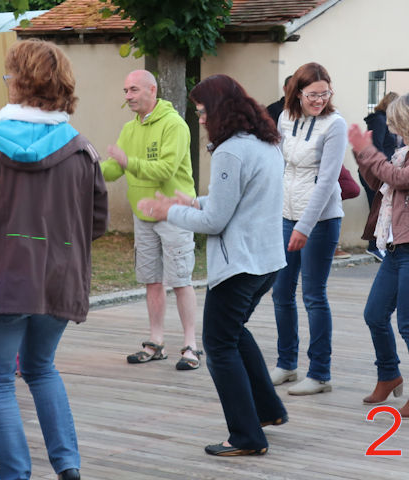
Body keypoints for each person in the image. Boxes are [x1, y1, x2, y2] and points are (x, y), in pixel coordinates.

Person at [0, 39, 109, 480]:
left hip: (2, 283)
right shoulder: (81, 148)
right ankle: (67, 466)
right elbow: (96, 222)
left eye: (8, 76)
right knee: (41, 369)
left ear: (19, 83)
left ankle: (16, 476)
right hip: (58, 280)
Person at [138, 74, 287, 457]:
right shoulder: (264, 144)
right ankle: (267, 411)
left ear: (220, 111)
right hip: (266, 261)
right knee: (233, 333)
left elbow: (215, 222)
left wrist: (168, 211)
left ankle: (246, 436)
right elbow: (236, 200)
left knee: (218, 344)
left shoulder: (230, 151)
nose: (200, 119)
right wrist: (194, 202)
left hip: (240, 265)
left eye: (202, 112)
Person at [348, 91, 409, 417]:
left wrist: (370, 151)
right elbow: (381, 182)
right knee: (374, 315)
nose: (393, 130)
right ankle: (389, 374)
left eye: (396, 124)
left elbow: (400, 179)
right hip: (396, 250)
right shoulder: (406, 153)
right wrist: (361, 153)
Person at [101, 70, 201, 370]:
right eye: (125, 91)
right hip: (142, 216)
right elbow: (114, 169)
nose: (128, 96)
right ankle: (156, 342)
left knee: (181, 281)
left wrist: (127, 161)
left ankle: (191, 346)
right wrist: (87, 166)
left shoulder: (175, 125)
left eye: (133, 90)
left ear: (152, 89)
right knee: (152, 281)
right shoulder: (130, 129)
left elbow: (165, 170)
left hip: (175, 214)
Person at [269, 62, 348, 396]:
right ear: (297, 92)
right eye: (312, 94)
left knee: (313, 295)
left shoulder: (335, 124)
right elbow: (277, 163)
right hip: (285, 215)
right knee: (280, 292)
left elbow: (328, 181)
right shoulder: (286, 118)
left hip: (321, 220)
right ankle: (287, 364)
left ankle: (320, 373)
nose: (319, 100)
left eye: (324, 93)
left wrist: (304, 225)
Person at [362, 92, 399, 261]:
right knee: (377, 208)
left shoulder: (385, 121)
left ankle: (378, 245)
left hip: (380, 169)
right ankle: (374, 247)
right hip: (376, 171)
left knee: (380, 208)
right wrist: (386, 167)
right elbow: (376, 146)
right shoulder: (379, 120)